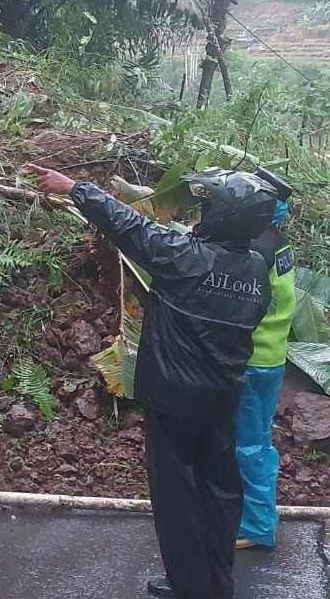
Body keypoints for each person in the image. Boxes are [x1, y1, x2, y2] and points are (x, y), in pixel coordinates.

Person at [26, 163, 277, 599]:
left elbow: (129, 226)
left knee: (178, 498)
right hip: (223, 398)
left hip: (175, 399)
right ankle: (217, 583)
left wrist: (73, 188)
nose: (202, 214)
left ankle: (190, 587)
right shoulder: (255, 269)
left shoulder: (185, 257)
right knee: (220, 491)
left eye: (210, 206)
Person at [234, 172, 296, 551]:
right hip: (271, 356)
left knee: (250, 445)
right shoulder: (278, 242)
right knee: (257, 438)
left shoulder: (254, 248)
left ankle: (256, 526)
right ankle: (254, 515)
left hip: (251, 358)